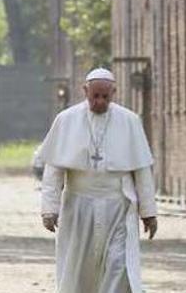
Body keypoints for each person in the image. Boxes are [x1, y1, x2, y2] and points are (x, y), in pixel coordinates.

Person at [36, 68, 158, 293]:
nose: (100, 101)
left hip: (118, 208)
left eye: (105, 96)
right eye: (95, 96)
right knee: (79, 270)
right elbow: (53, 171)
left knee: (118, 265)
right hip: (78, 208)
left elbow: (142, 171)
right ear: (85, 91)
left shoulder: (130, 121)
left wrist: (148, 212)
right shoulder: (66, 120)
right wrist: (49, 209)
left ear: (114, 93)